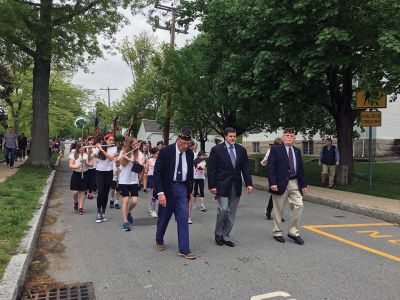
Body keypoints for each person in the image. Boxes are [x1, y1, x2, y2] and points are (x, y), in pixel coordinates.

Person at [154, 128, 196, 260]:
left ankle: (184, 249)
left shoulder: (189, 154)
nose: (185, 146)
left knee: (183, 217)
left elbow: (190, 174)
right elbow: (157, 173)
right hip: (168, 188)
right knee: (164, 217)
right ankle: (159, 239)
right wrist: (160, 193)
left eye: (188, 144)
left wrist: (190, 193)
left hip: (183, 188)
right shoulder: (166, 152)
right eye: (183, 143)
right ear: (178, 140)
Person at [208, 127, 253, 247]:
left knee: (232, 212)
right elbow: (211, 169)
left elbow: (246, 168)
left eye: (234, 136)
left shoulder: (241, 150)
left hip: (236, 185)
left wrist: (249, 183)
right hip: (222, 184)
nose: (233, 138)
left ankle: (226, 235)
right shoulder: (216, 150)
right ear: (225, 137)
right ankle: (218, 233)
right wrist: (212, 185)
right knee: (223, 209)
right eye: (231, 136)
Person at [267, 128, 307, 245]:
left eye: (291, 136)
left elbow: (300, 169)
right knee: (279, 209)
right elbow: (270, 168)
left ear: (294, 138)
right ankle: (277, 232)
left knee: (299, 205)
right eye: (287, 135)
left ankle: (293, 232)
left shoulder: (296, 151)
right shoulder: (275, 150)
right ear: (283, 137)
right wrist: (272, 183)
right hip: (280, 183)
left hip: (294, 182)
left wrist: (303, 184)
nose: (289, 137)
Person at [118, 136, 142, 231]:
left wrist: (130, 159)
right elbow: (120, 164)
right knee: (126, 200)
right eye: (133, 144)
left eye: (136, 143)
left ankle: (128, 212)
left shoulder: (138, 153)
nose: (136, 145)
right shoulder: (123, 152)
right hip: (124, 180)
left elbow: (139, 167)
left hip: (133, 180)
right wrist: (121, 158)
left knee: (135, 201)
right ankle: (125, 221)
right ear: (129, 145)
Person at [93, 133, 118, 223]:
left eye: (112, 140)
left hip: (109, 172)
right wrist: (92, 149)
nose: (111, 141)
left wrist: (101, 149)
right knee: (101, 192)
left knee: (106, 193)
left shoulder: (114, 148)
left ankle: (103, 212)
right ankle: (98, 213)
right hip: (99, 172)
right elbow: (92, 156)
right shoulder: (100, 147)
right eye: (109, 140)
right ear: (106, 140)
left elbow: (110, 158)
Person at [260, 137, 284, 221]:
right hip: (274, 176)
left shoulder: (285, 151)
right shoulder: (271, 151)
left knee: (282, 195)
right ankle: (269, 211)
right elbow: (264, 161)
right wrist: (265, 162)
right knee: (275, 195)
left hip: (283, 176)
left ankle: (278, 214)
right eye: (280, 145)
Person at [68, 142, 93, 215]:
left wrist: (86, 164)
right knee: (75, 192)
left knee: (82, 191)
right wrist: (77, 166)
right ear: (77, 148)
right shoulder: (73, 155)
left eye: (83, 147)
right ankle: (76, 202)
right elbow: (70, 165)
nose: (82, 149)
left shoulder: (87, 155)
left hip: (85, 173)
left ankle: (81, 208)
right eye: (80, 147)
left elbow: (91, 164)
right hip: (76, 174)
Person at [145, 147, 159, 218]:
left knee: (157, 193)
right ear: (153, 154)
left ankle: (152, 207)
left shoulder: (160, 160)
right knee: (154, 193)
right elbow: (146, 170)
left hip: (159, 178)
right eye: (157, 153)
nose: (158, 154)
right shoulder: (150, 160)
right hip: (152, 177)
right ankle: (153, 210)